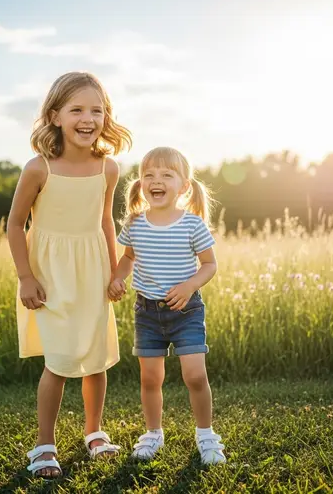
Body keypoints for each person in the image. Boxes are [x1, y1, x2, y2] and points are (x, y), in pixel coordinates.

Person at [7, 71, 132, 479]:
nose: (88, 118)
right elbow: (14, 225)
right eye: (77, 109)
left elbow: (106, 223)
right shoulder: (38, 168)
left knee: (96, 359)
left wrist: (115, 271)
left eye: (97, 110)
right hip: (51, 274)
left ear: (106, 117)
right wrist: (26, 277)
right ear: (55, 115)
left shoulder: (108, 168)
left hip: (93, 270)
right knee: (59, 361)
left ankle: (94, 433)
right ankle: (45, 444)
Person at [108, 146, 226, 465]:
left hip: (186, 311)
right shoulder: (135, 223)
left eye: (166, 175)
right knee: (150, 378)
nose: (155, 180)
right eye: (149, 175)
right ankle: (153, 433)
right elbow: (128, 258)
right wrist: (118, 278)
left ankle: (206, 435)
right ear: (141, 183)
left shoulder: (192, 224)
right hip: (147, 312)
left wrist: (189, 286)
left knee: (195, 375)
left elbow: (209, 265)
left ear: (184, 186)